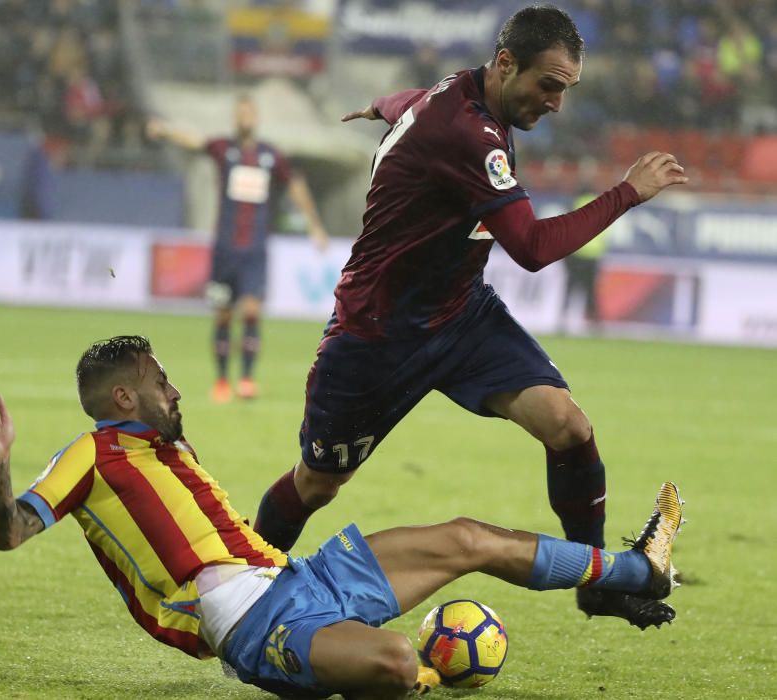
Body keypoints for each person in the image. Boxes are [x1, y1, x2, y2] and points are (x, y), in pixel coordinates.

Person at [251, 5, 689, 630]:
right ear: (507, 64)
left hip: (460, 314)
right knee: (317, 484)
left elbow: (412, 100)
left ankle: (595, 580)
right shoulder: (466, 133)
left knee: (567, 425)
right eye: (550, 86)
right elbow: (532, 249)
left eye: (566, 89)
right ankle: (244, 585)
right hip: (379, 336)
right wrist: (627, 192)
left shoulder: (462, 92)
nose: (557, 104)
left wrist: (383, 103)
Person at [0, 335, 683, 699]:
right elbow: (7, 533)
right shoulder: (88, 456)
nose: (175, 387)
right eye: (160, 380)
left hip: (296, 579)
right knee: (400, 663)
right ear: (124, 398)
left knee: (468, 537)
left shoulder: (166, 445)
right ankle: (338, 671)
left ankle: (639, 571)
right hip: (253, 624)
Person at [146, 95, 329, 402]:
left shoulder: (270, 156)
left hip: (255, 250)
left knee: (252, 311)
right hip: (225, 249)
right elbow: (194, 140)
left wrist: (314, 224)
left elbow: (295, 184)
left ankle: (246, 379)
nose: (245, 116)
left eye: (249, 112)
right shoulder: (223, 149)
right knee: (222, 315)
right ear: (236, 117)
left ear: (255, 118)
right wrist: (165, 130)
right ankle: (221, 381)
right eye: (240, 111)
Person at [560, 189, 608, 333]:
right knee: (591, 291)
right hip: (594, 256)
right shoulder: (602, 205)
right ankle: (594, 323)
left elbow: (566, 228)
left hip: (577, 255)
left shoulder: (576, 203)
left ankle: (563, 320)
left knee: (571, 289)